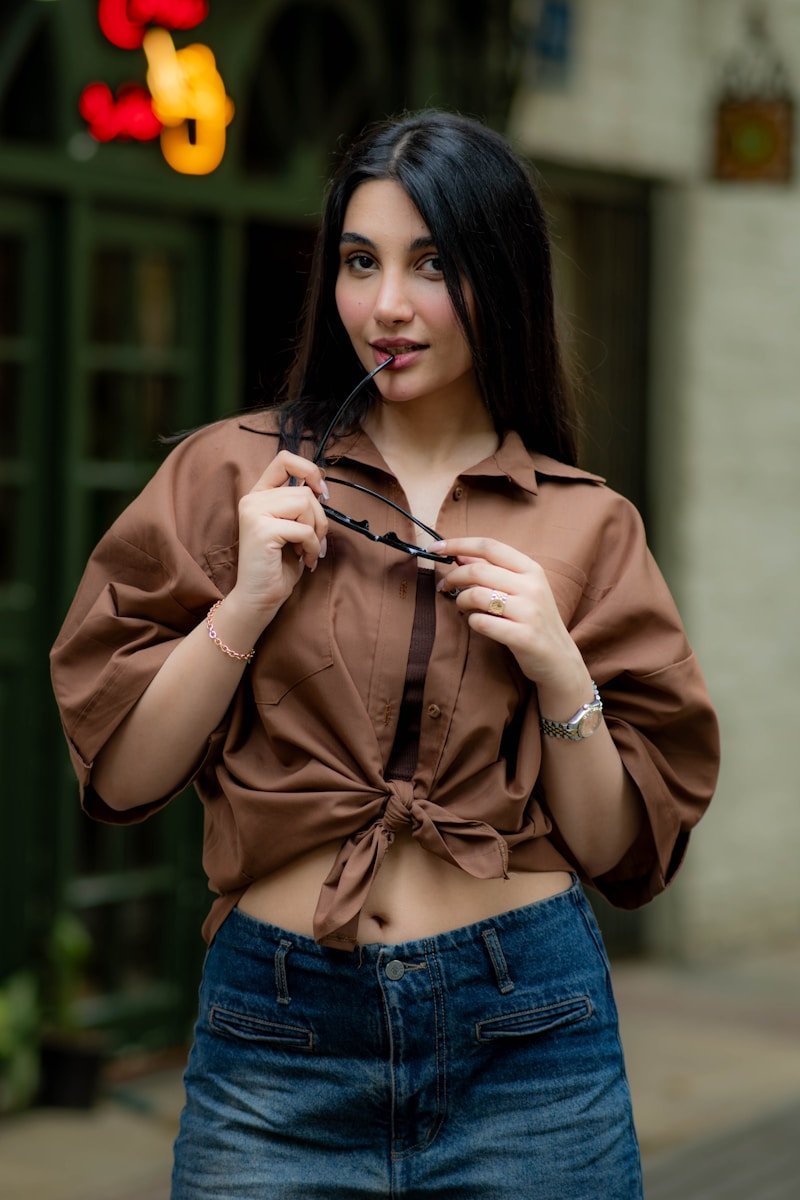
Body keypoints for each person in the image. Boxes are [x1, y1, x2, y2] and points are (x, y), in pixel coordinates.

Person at [51, 109, 719, 1199]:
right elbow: (122, 775)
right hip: (278, 1033)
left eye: (431, 265)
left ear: (497, 281)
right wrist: (246, 602)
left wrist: (558, 669)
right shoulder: (236, 476)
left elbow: (620, 853)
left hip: (528, 1035)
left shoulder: (587, 524)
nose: (386, 307)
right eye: (360, 263)